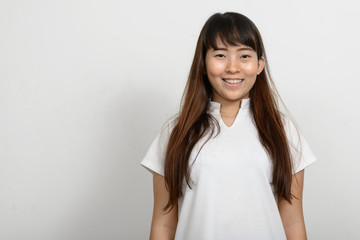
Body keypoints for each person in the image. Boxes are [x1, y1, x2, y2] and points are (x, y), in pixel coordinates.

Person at [140, 12, 318, 240]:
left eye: (244, 56)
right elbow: (163, 225)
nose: (233, 67)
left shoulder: (282, 130)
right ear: (203, 63)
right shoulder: (177, 132)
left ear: (259, 65)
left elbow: (292, 221)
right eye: (221, 55)